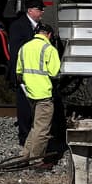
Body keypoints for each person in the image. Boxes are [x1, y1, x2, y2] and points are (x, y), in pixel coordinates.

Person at [16, 18, 61, 169]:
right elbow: (54, 72)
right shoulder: (49, 49)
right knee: (42, 129)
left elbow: (19, 72)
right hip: (44, 94)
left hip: (30, 93)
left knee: (36, 127)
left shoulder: (24, 48)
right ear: (48, 35)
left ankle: (25, 156)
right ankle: (36, 160)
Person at [6, 0, 45, 148]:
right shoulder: (18, 26)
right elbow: (17, 51)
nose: (42, 12)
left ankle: (33, 137)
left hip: (36, 73)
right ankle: (24, 138)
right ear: (30, 10)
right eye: (39, 9)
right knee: (24, 107)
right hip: (23, 73)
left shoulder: (40, 27)